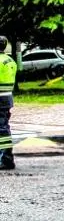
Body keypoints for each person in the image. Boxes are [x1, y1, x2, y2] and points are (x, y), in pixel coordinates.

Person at [0, 36, 16, 170]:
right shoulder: (10, 60)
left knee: (2, 129)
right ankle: (6, 157)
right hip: (7, 98)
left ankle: (6, 159)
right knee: (4, 128)